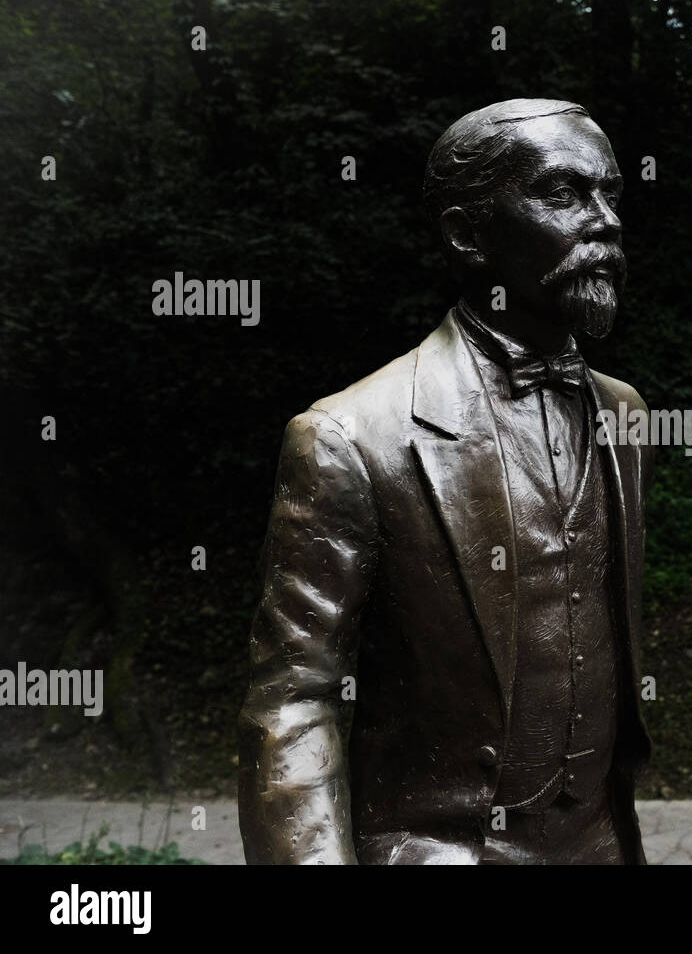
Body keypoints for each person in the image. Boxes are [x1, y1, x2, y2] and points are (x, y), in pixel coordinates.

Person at [237, 100, 654, 864]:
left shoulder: (624, 417)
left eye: (611, 194)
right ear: (468, 235)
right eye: (563, 194)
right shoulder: (349, 438)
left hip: (602, 841)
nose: (606, 221)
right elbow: (293, 699)